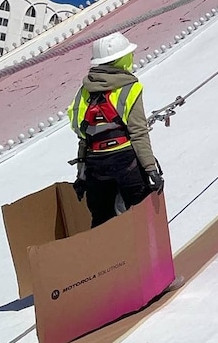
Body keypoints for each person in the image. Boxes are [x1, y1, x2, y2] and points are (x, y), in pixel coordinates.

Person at [67, 32, 164, 227]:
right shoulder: (130, 88)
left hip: (95, 163)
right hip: (125, 160)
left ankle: (107, 255)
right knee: (142, 215)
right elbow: (138, 133)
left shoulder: (84, 91)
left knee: (101, 220)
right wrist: (151, 169)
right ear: (121, 59)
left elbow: (84, 137)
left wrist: (81, 176)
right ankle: (146, 255)